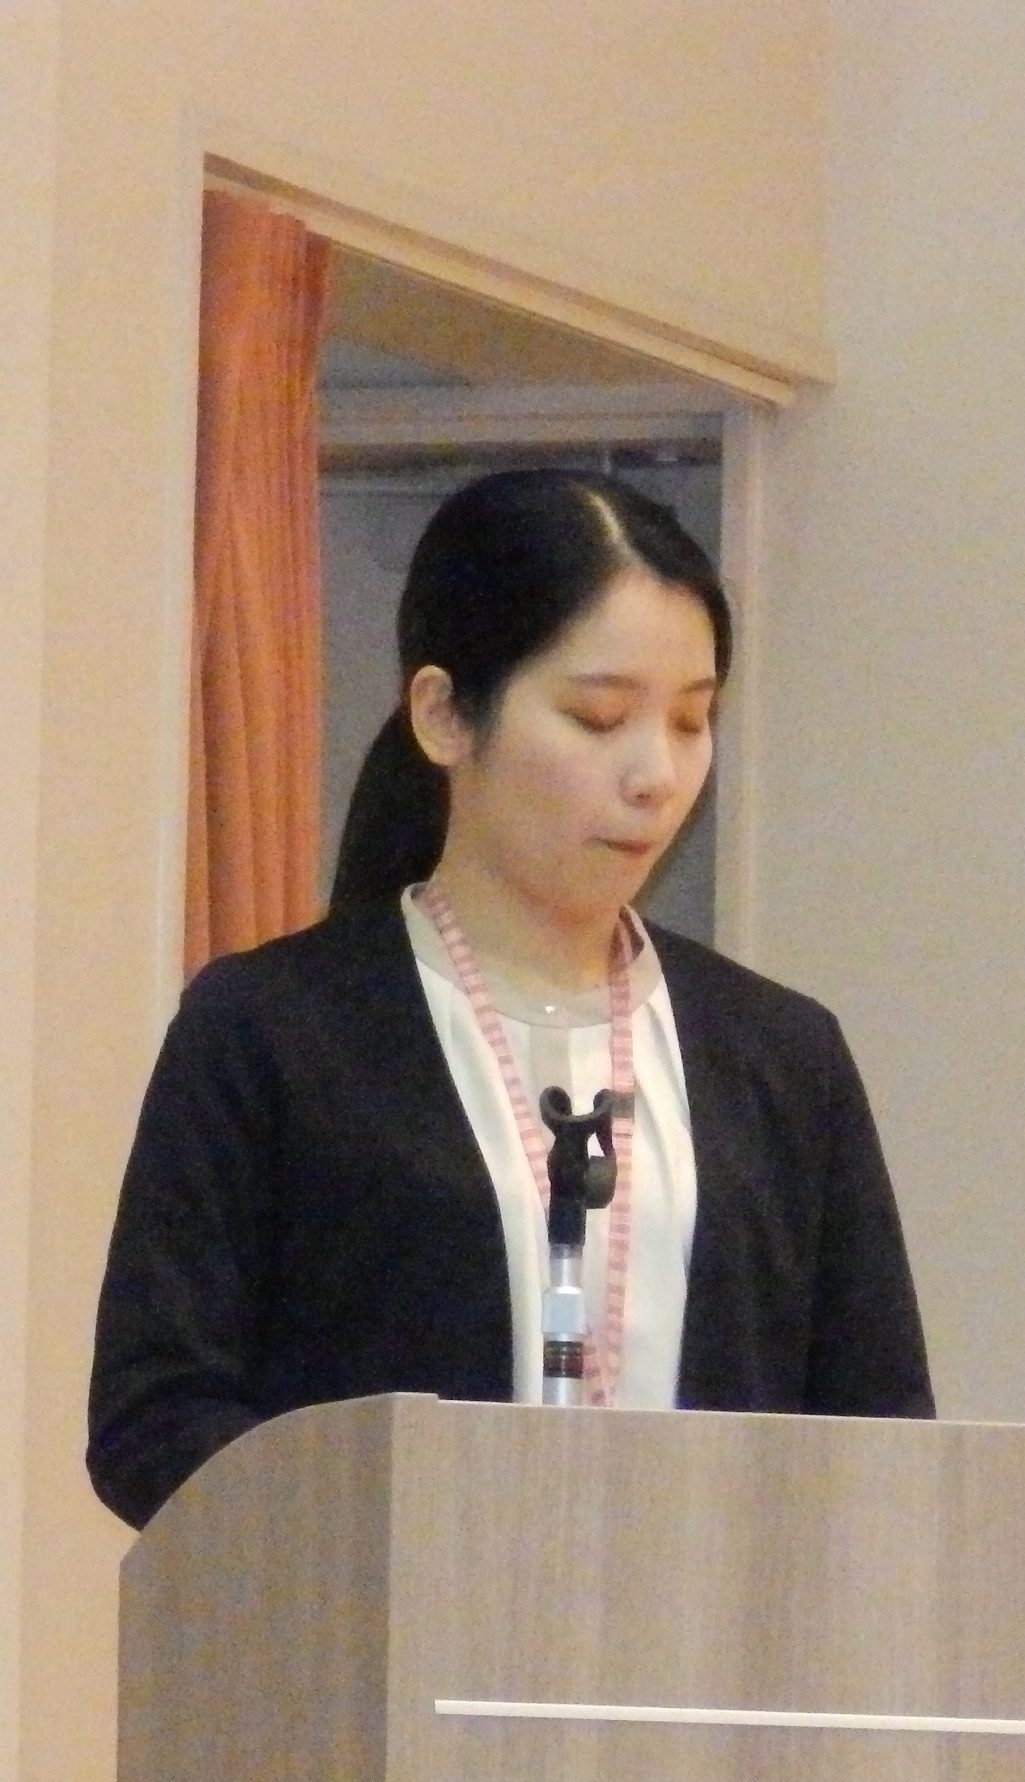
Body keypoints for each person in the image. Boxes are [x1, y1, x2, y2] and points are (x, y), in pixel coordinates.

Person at [90, 468, 933, 1530]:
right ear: (445, 715)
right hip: (382, 1624)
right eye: (598, 717)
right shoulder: (270, 1030)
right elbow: (154, 1418)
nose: (655, 775)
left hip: (706, 1628)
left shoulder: (784, 1055)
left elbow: (884, 1439)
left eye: (691, 721)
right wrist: (404, 1536)